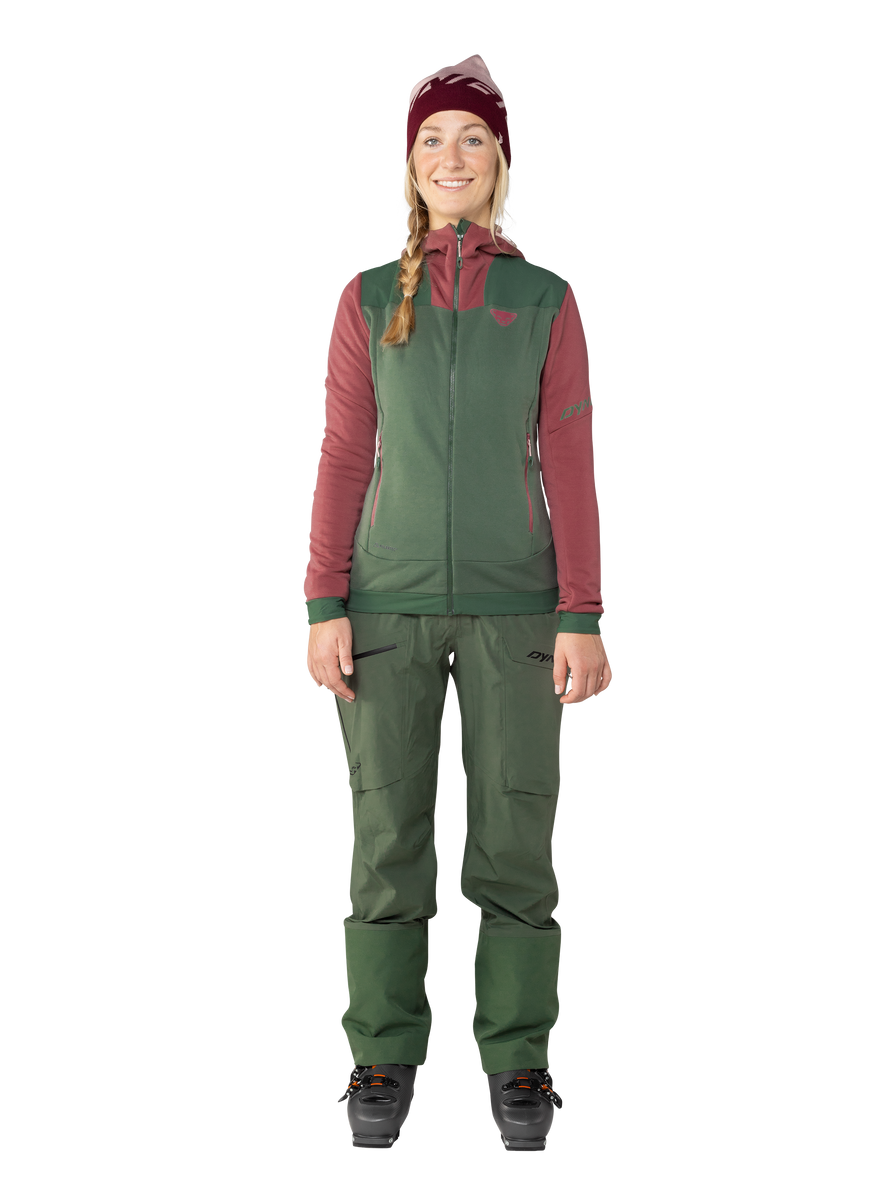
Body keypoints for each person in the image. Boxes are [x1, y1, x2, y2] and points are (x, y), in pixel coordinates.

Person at [302, 51, 612, 1152]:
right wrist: (323, 602)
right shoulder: (363, 296)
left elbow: (569, 462)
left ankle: (519, 1061)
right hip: (383, 611)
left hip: (519, 613)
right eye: (432, 138)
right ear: (409, 162)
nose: (451, 155)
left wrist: (582, 612)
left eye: (472, 138)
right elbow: (344, 453)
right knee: (386, 838)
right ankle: (381, 1053)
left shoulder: (546, 298)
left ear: (499, 163)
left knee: (516, 843)